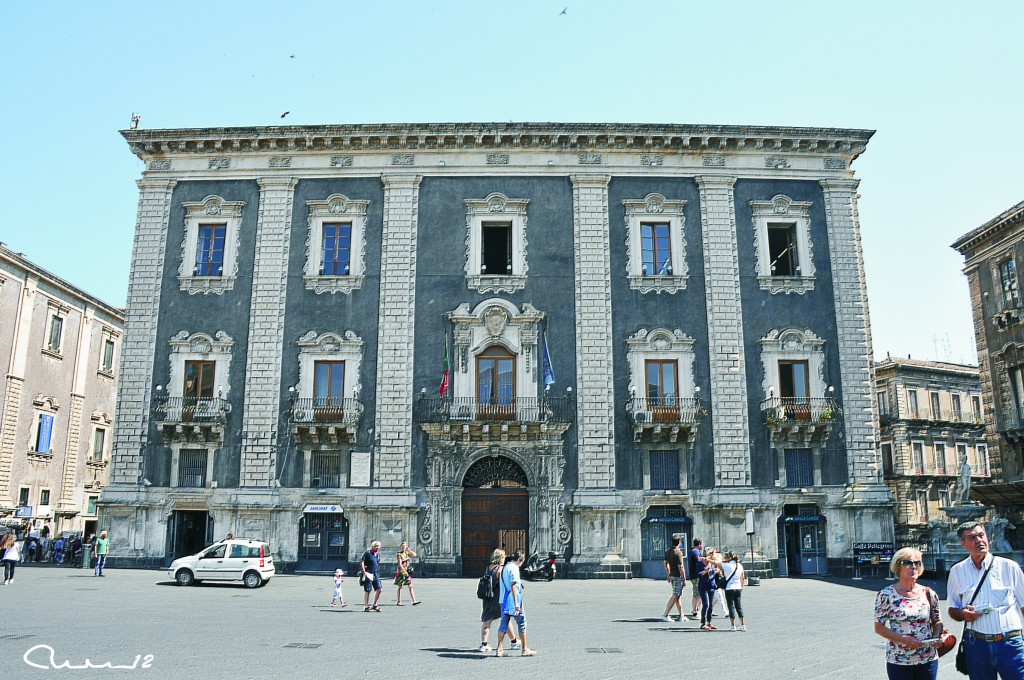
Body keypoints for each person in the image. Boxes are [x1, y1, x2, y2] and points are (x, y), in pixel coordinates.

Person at [947, 521, 1024, 680]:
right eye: (972, 537)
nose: (979, 541)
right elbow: (952, 609)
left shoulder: (1009, 567)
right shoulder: (957, 571)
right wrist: (963, 614)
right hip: (976, 644)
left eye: (981, 535)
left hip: (1010, 643)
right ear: (963, 544)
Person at [876, 547, 945, 680]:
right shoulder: (886, 595)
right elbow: (879, 627)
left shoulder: (928, 593)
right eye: (908, 563)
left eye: (917, 563)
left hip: (927, 658)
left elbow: (937, 621)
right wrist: (903, 639)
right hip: (899, 659)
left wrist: (936, 637)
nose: (913, 567)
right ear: (898, 566)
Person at [495, 550, 536, 657]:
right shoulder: (514, 568)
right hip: (513, 601)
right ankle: (524, 649)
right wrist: (517, 603)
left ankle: (499, 649)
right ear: (519, 560)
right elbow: (513, 586)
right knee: (522, 623)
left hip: (503, 600)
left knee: (503, 624)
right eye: (522, 562)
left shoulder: (504, 567)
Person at [479, 549, 519, 652]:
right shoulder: (500, 569)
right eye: (504, 556)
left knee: (487, 620)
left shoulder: (488, 567)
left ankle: (484, 644)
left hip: (488, 597)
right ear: (500, 557)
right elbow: (505, 583)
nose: (505, 557)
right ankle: (514, 642)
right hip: (498, 598)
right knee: (505, 619)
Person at [661, 535, 686, 622]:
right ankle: (665, 614)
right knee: (675, 595)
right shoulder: (678, 552)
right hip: (677, 576)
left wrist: (668, 573)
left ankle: (682, 615)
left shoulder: (668, 551)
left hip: (672, 575)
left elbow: (665, 563)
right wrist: (684, 578)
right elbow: (681, 567)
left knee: (677, 595)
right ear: (679, 542)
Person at [721, 550, 747, 631]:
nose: (724, 558)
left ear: (729, 558)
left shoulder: (726, 565)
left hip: (729, 588)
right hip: (738, 587)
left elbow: (716, 563)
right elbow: (742, 577)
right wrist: (741, 586)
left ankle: (733, 626)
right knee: (738, 606)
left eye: (725, 557)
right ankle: (743, 625)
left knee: (731, 606)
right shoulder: (739, 565)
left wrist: (708, 559)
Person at [698, 547, 721, 630]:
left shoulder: (713, 563)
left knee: (711, 605)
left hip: (711, 585)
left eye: (713, 553)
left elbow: (716, 572)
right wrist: (705, 571)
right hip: (703, 585)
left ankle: (709, 622)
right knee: (706, 604)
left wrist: (718, 572)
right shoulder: (700, 562)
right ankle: (702, 623)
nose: (713, 555)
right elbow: (698, 574)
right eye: (711, 553)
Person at [394, 541, 421, 606]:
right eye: (402, 547)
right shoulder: (399, 554)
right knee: (400, 586)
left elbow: (414, 555)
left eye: (404, 547)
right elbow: (400, 564)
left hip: (407, 571)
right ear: (400, 547)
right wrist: (404, 571)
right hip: (402, 572)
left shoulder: (407, 553)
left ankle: (414, 600)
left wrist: (409, 550)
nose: (403, 548)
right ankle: (399, 601)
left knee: (410, 586)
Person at [360, 540, 383, 612]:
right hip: (368, 573)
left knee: (379, 589)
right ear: (372, 546)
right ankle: (366, 606)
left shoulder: (378, 555)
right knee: (368, 590)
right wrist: (364, 572)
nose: (377, 547)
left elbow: (377, 563)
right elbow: (362, 562)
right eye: (376, 546)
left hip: (376, 573)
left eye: (378, 546)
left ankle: (375, 605)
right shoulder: (367, 553)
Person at [688, 538, 704, 618]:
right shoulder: (696, 552)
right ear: (700, 544)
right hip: (696, 575)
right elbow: (700, 563)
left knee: (698, 593)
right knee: (697, 594)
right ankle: (695, 611)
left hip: (694, 575)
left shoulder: (692, 551)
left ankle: (696, 609)